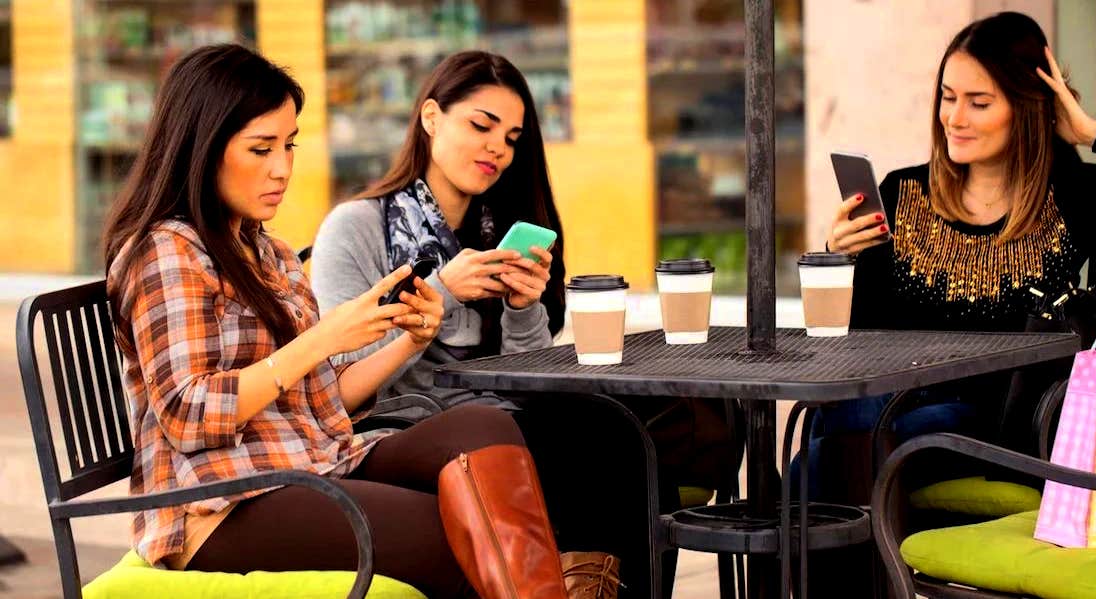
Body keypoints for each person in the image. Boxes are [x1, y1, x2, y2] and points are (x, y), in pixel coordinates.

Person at [102, 43, 574, 599]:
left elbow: (325, 401)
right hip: (221, 504)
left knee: (484, 428)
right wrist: (325, 337)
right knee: (463, 532)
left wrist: (406, 339)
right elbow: (187, 416)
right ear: (201, 148)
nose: (283, 168)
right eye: (261, 148)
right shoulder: (167, 251)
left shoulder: (267, 251)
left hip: (313, 464)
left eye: (289, 145)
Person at [310, 50, 742, 597]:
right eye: (481, 125)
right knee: (600, 436)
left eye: (512, 138)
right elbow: (341, 378)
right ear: (430, 118)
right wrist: (443, 290)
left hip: (501, 412)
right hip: (404, 424)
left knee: (623, 426)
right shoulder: (356, 227)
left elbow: (526, 377)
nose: (498, 147)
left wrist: (522, 308)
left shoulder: (499, 228)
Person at [799, 11, 1096, 504]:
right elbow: (861, 340)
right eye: (947, 98)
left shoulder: (1074, 197)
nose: (955, 118)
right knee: (836, 433)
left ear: (1028, 107)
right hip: (892, 399)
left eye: (979, 102)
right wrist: (841, 260)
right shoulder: (902, 192)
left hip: (998, 422)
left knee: (827, 457)